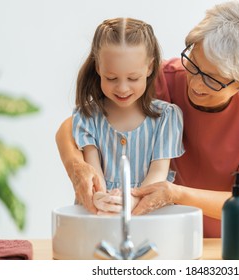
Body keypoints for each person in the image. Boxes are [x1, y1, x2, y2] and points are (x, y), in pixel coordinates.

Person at [56, 1, 239, 237]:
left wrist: (174, 193)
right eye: (195, 65)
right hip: (187, 226)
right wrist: (77, 166)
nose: (196, 83)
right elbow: (77, 123)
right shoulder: (161, 78)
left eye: (213, 79)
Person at [69, 17, 184, 214]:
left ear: (149, 68)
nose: (122, 88)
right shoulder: (87, 116)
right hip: (100, 215)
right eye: (111, 78)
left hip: (150, 214)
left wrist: (133, 199)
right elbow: (94, 171)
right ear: (98, 68)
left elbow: (158, 172)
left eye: (133, 78)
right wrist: (101, 198)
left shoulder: (166, 117)